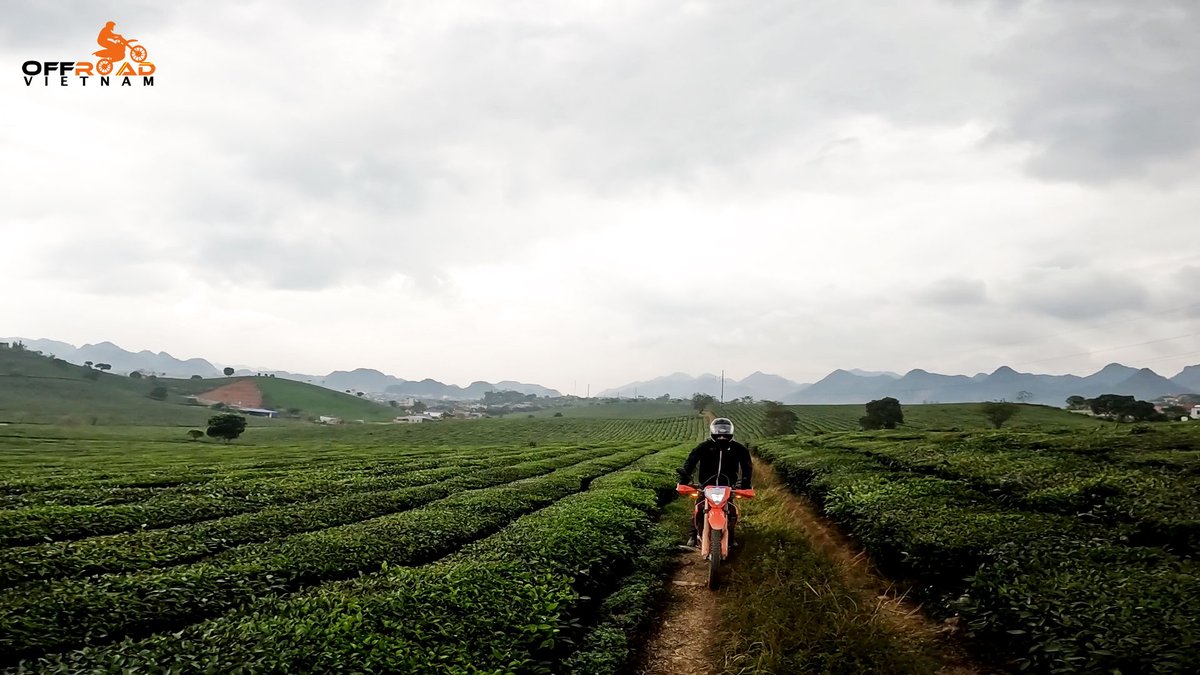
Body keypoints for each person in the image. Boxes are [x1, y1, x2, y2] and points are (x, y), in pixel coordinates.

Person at [676, 417, 752, 548]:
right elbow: (691, 461)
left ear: (731, 432)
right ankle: (693, 535)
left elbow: (747, 466)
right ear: (712, 431)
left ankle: (731, 535)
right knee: (699, 507)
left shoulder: (738, 449)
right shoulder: (704, 447)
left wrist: (745, 482)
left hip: (727, 486)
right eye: (718, 431)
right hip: (705, 485)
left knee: (731, 511)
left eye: (725, 432)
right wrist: (685, 477)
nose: (722, 434)